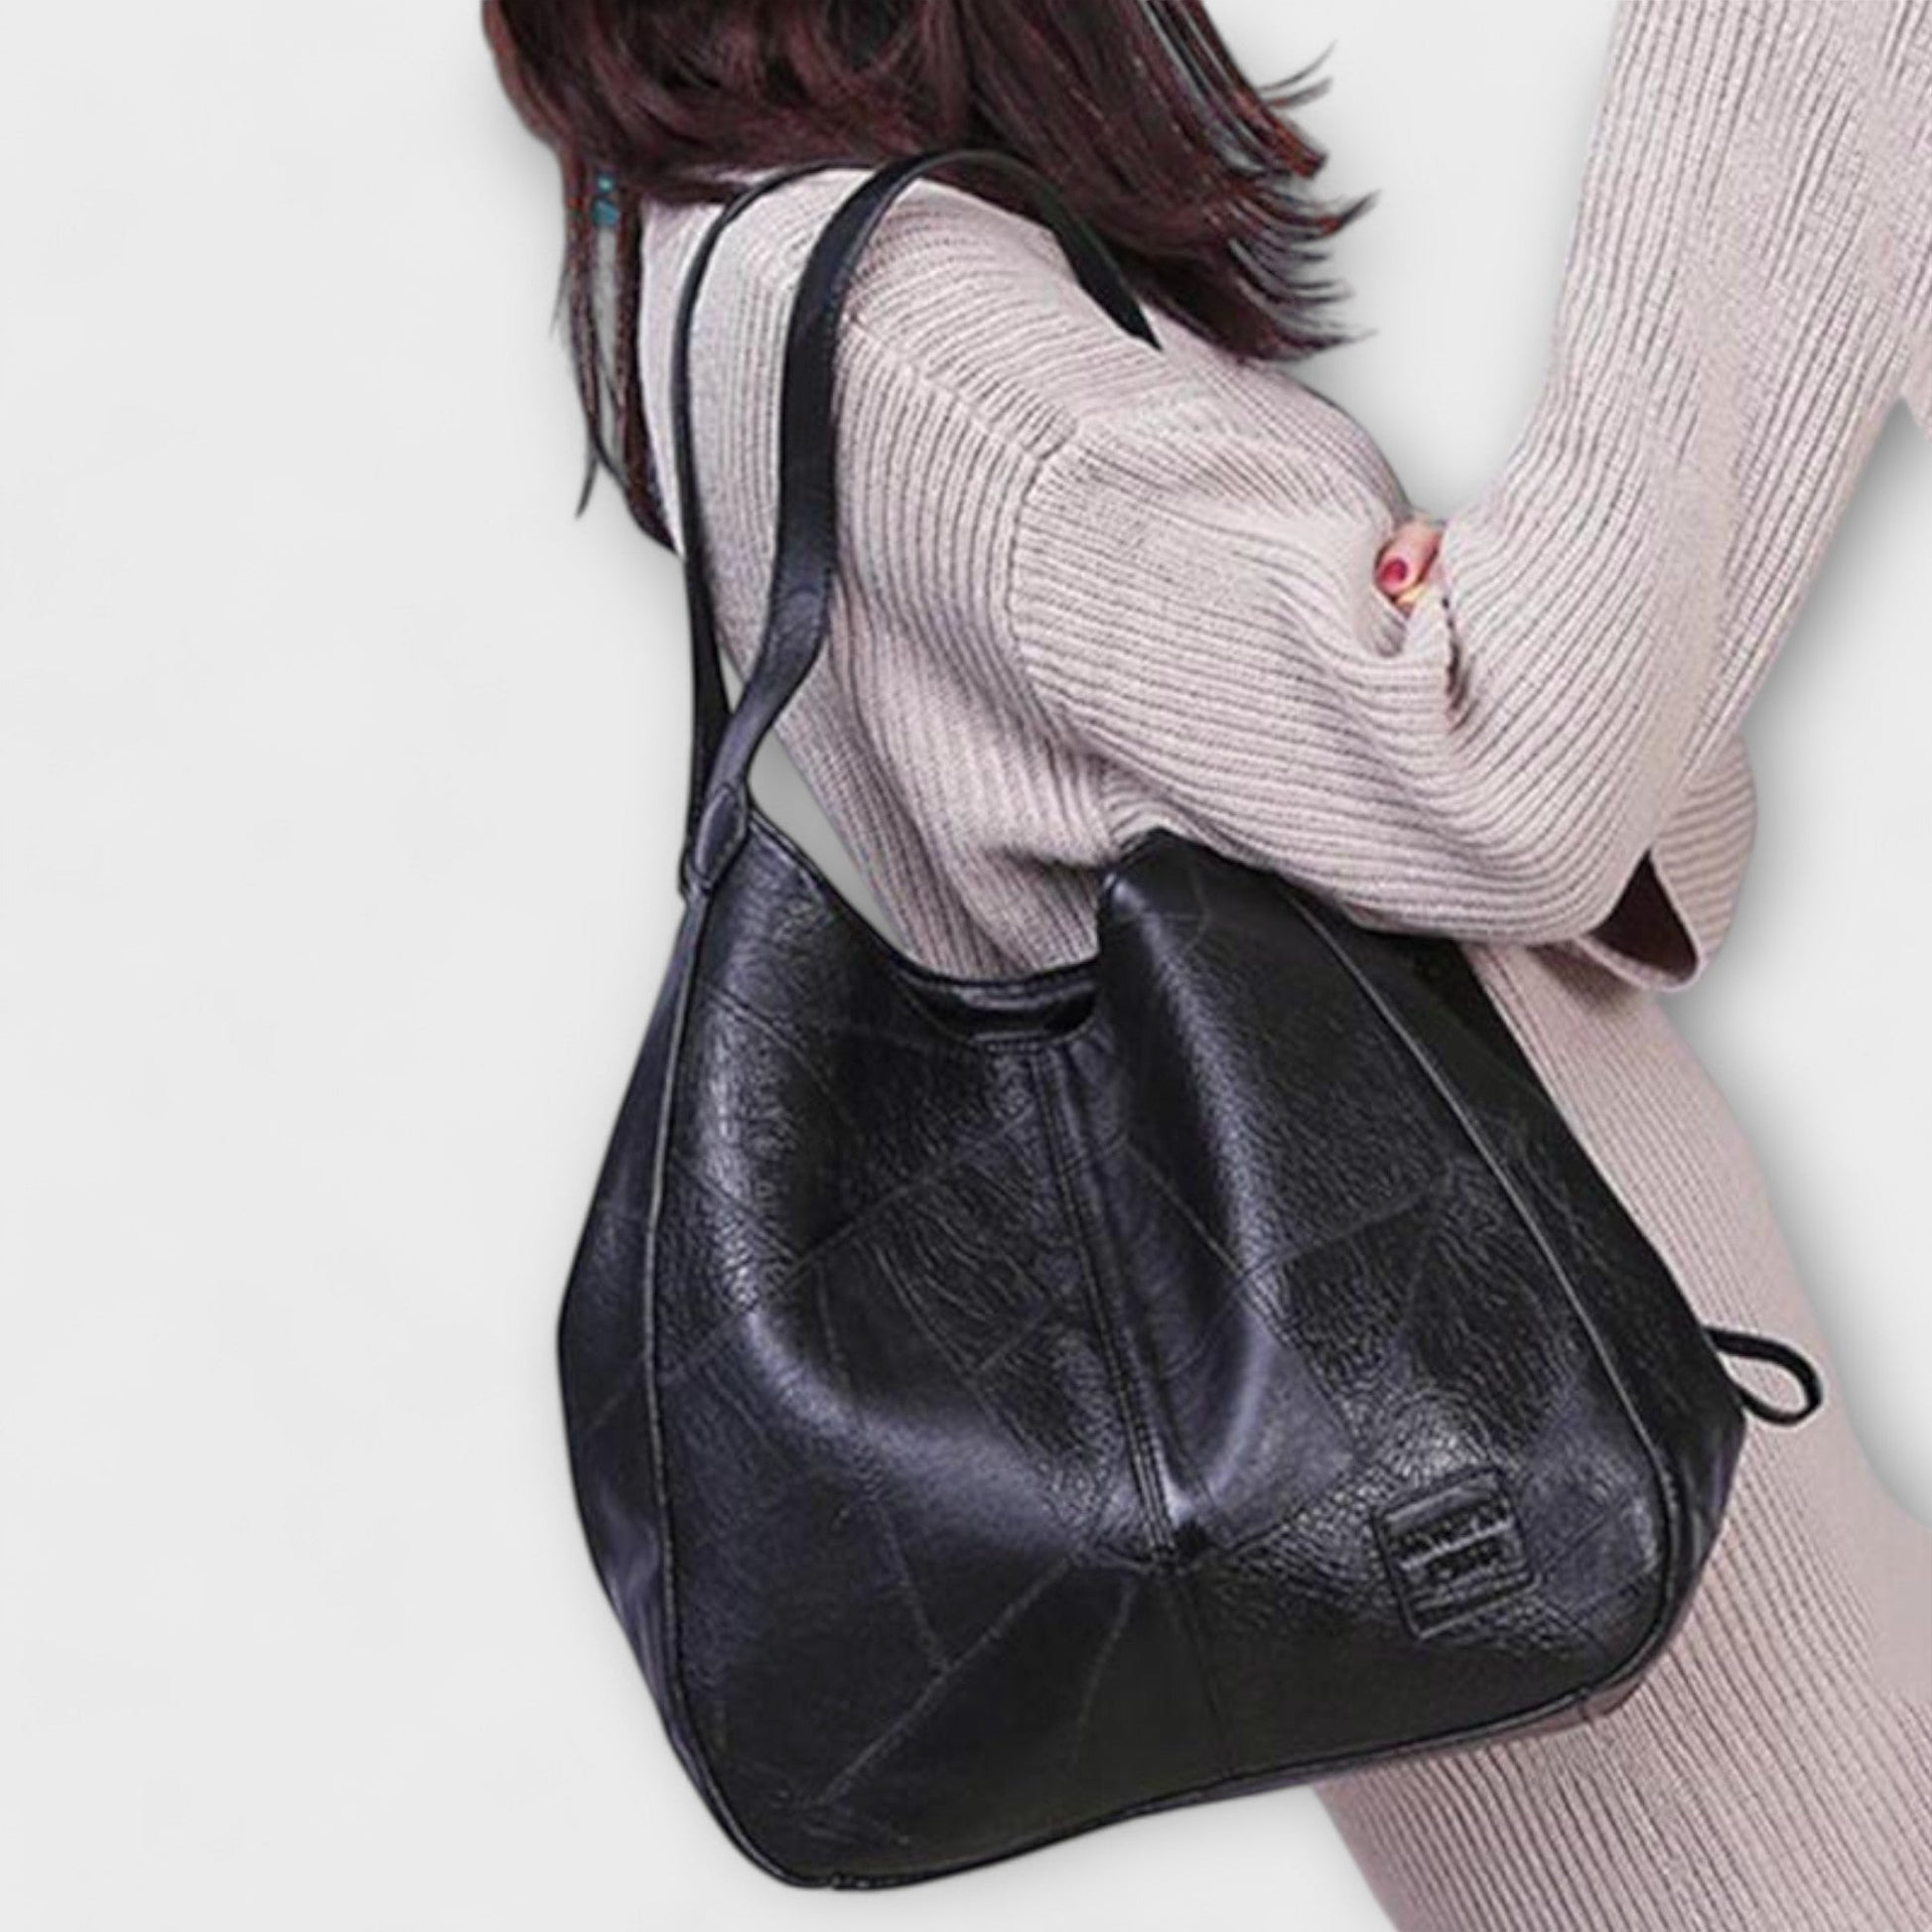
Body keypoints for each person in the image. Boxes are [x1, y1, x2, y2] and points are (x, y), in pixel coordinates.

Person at [483, 1, 1932, 1924]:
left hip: (1584, 1515)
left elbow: (1574, 824)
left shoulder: (812, 260)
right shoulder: (904, 321)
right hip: (1635, 1631)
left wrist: (1466, 688)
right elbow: (1519, 788)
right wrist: (1767, 44)